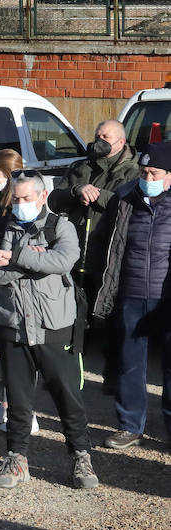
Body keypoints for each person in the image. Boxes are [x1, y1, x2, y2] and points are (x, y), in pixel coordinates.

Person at [0, 172, 98, 490]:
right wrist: (31, 263)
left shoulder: (61, 226)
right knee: (17, 398)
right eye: (16, 198)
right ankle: (16, 457)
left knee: (67, 396)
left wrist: (12, 259)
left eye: (27, 198)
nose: (20, 204)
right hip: (13, 325)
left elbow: (64, 261)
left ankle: (80, 455)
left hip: (53, 326)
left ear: (43, 197)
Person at [91, 143, 171, 450]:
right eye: (143, 171)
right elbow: (106, 244)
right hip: (131, 292)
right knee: (130, 364)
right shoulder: (125, 198)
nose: (147, 176)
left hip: (167, 297)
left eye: (154, 172)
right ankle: (129, 426)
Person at [48, 119, 138, 388]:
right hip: (75, 256)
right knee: (72, 321)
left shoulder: (133, 173)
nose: (98, 139)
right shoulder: (81, 167)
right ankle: (69, 376)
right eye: (97, 134)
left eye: (105, 136)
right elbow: (55, 198)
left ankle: (114, 380)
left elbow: (129, 204)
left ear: (120, 142)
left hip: (108, 257)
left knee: (111, 323)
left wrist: (96, 195)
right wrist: (77, 190)